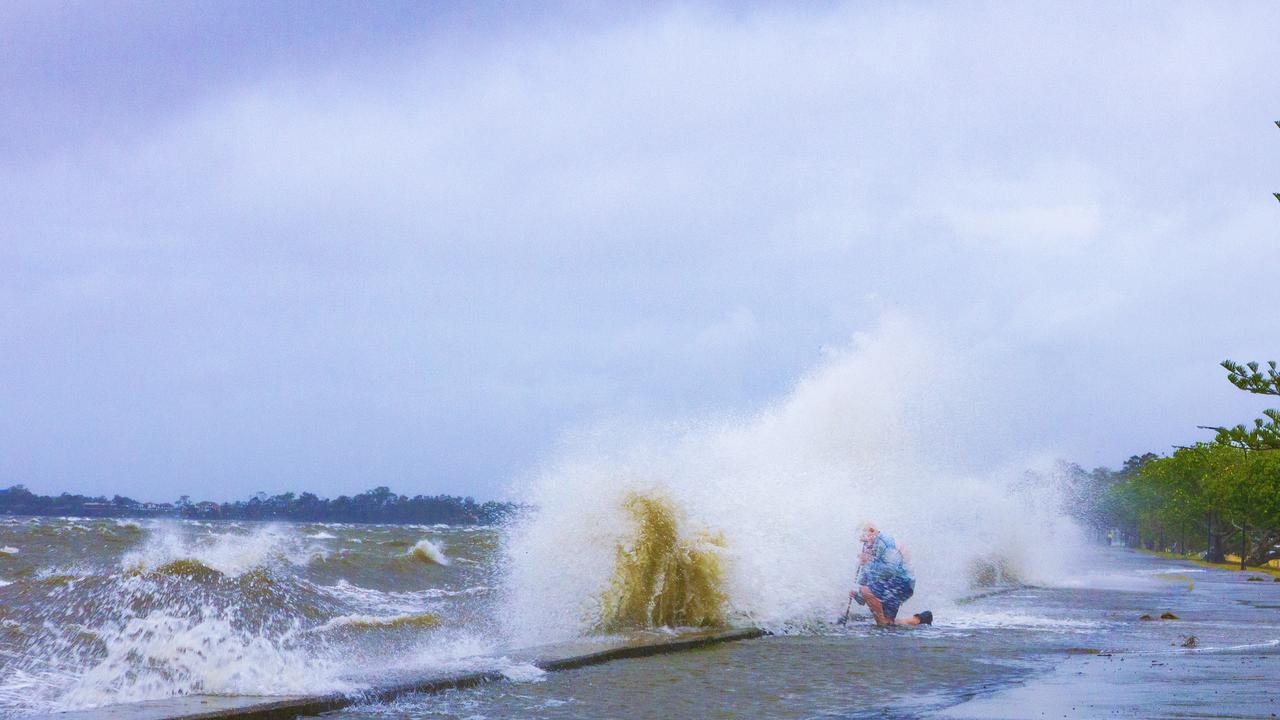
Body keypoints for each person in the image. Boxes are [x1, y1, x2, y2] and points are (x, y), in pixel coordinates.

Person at [850, 523, 932, 627]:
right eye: (862, 541)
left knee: (867, 593)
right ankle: (919, 619)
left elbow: (891, 569)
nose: (864, 544)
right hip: (889, 585)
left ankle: (882, 625)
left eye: (864, 540)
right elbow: (866, 583)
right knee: (889, 622)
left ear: (872, 532)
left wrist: (868, 562)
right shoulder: (870, 546)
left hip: (901, 583)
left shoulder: (887, 544)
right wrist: (856, 595)